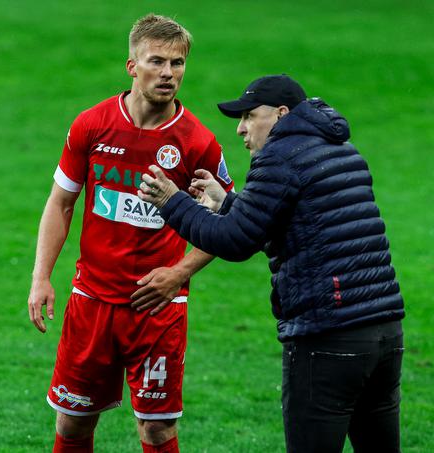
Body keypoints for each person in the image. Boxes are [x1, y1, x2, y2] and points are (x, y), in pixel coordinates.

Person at [138, 74, 405, 453]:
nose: (241, 129)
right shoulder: (341, 149)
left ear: (281, 114)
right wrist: (227, 203)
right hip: (384, 334)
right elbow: (295, 223)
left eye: (249, 116)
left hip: (327, 336)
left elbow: (234, 241)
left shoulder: (279, 157)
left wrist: (171, 201)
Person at [27, 14, 234, 453]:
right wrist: (41, 277)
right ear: (131, 66)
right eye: (157, 62)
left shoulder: (198, 142)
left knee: (157, 431)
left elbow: (226, 225)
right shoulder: (92, 125)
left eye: (177, 64)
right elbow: (61, 202)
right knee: (72, 423)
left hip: (158, 307)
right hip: (92, 302)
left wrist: (179, 274)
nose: (168, 74)